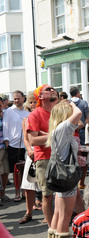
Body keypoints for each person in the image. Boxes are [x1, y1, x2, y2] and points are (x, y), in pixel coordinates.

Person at [44, 100, 82, 238]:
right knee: (65, 216)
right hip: (66, 175)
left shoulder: (58, 130)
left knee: (59, 214)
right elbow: (79, 114)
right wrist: (72, 105)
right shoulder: (62, 129)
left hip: (61, 175)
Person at [27, 86, 59, 234]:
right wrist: (54, 134)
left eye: (53, 89)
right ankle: (52, 229)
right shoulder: (35, 114)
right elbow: (33, 140)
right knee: (47, 196)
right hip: (44, 159)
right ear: (40, 97)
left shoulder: (59, 111)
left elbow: (76, 126)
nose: (53, 90)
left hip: (62, 157)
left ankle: (66, 226)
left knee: (67, 194)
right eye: (48, 89)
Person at [2, 90, 29, 202]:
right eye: (15, 98)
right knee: (16, 171)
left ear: (23, 98)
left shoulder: (28, 113)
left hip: (25, 145)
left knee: (25, 170)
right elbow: (5, 126)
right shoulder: (9, 111)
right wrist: (7, 141)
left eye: (18, 98)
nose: (17, 100)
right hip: (13, 145)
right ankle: (17, 192)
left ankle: (24, 191)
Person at [18, 93, 40, 224]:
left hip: (44, 154)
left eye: (35, 102)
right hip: (31, 155)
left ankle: (49, 214)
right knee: (28, 185)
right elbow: (26, 139)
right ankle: (29, 212)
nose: (33, 105)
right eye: (31, 102)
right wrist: (30, 150)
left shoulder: (46, 116)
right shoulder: (25, 119)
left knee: (47, 186)